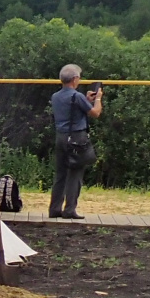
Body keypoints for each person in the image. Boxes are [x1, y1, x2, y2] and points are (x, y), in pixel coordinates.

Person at [48, 65, 101, 219]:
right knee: (75, 173)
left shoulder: (55, 96)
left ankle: (54, 208)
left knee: (61, 173)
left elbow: (73, 109)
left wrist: (86, 100)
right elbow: (95, 113)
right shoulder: (76, 96)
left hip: (61, 136)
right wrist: (97, 99)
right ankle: (70, 209)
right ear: (75, 79)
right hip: (77, 137)